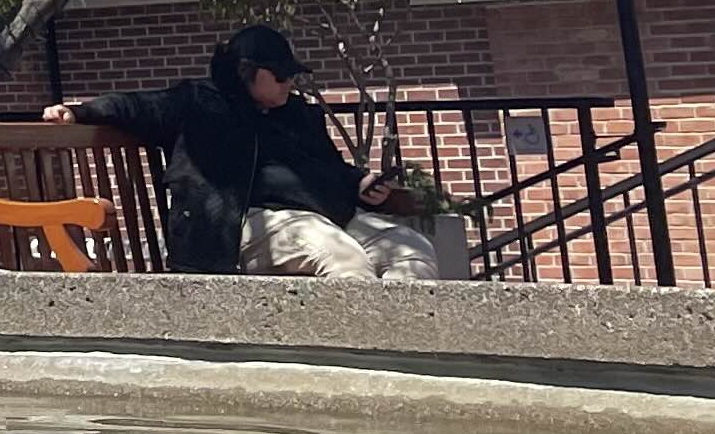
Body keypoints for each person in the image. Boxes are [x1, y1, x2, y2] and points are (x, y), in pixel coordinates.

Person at [45, 22, 443, 281]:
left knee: (413, 251)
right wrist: (79, 111)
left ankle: (401, 350)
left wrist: (359, 184)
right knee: (342, 258)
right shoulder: (200, 103)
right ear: (248, 71)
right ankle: (352, 358)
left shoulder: (298, 115)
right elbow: (139, 106)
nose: (290, 82)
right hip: (234, 226)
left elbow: (329, 168)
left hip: (322, 215)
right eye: (281, 74)